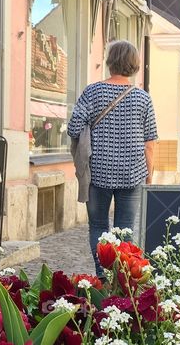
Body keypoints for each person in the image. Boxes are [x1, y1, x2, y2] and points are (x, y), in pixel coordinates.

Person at [67, 40, 158, 277]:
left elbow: (73, 127)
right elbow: (150, 144)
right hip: (133, 173)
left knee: (98, 226)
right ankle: (121, 278)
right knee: (125, 231)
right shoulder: (143, 98)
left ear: (110, 62)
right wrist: (149, 176)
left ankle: (102, 275)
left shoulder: (92, 91)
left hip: (97, 172)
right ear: (135, 65)